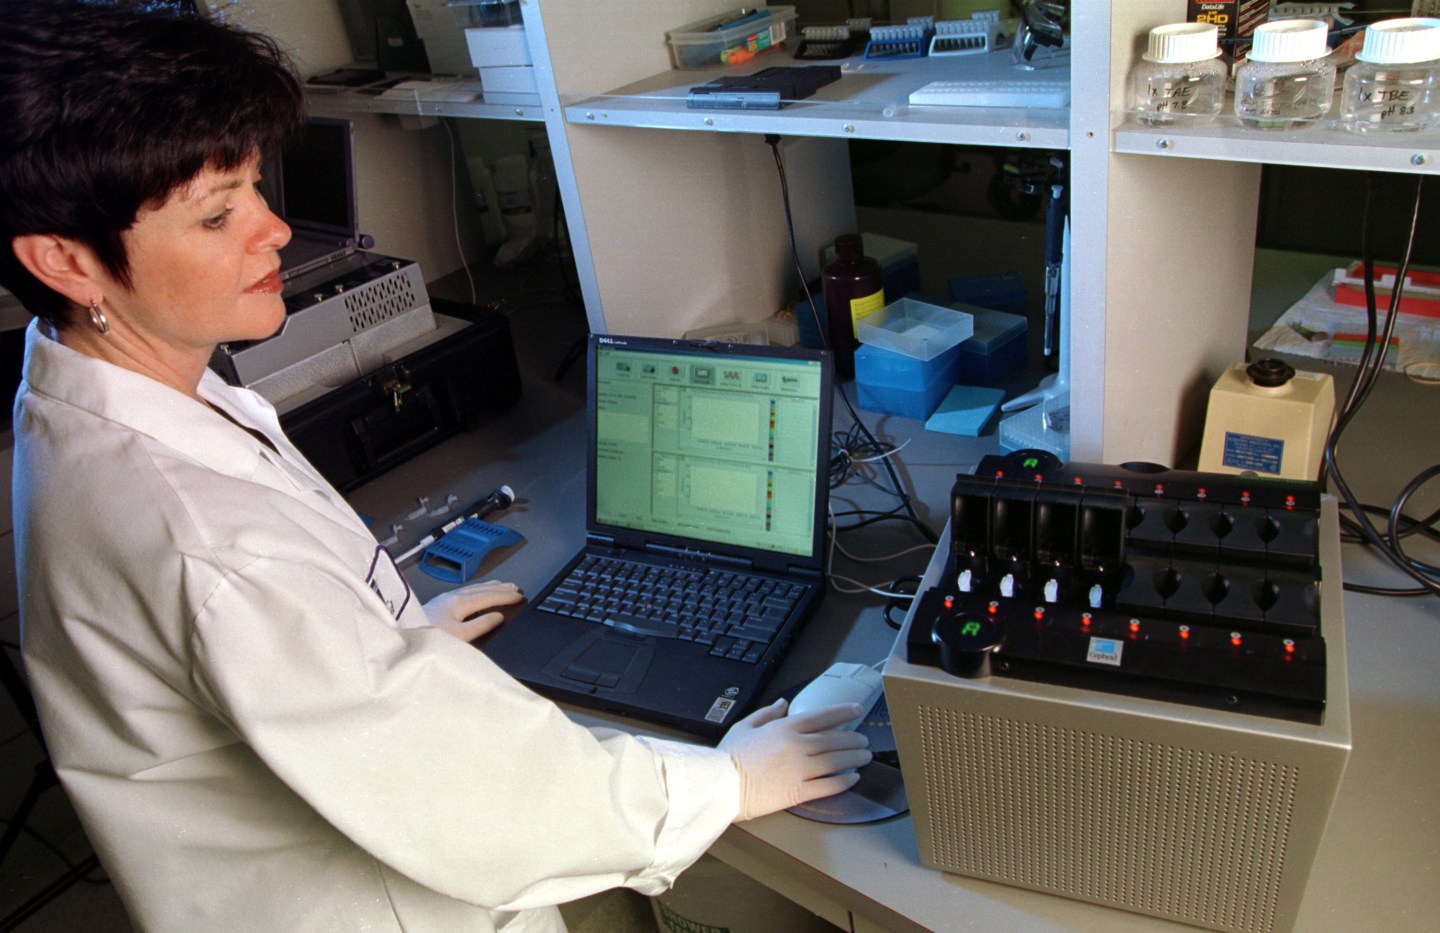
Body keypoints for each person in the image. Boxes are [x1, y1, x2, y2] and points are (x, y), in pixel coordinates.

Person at [0, 3, 872, 931]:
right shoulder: (202, 537)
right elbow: (478, 801)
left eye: (256, 184)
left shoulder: (85, 394)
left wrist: (384, 635)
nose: (276, 230)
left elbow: (264, 648)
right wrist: (724, 782)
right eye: (218, 215)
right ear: (64, 259)